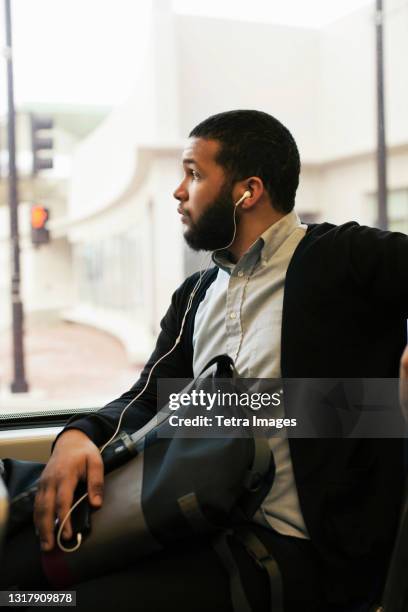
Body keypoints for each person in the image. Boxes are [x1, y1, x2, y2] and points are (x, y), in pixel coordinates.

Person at [3, 110, 408, 611]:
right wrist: (79, 435)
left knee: (70, 602)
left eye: (193, 174)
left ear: (248, 190)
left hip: (296, 550)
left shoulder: (342, 259)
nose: (179, 190)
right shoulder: (195, 296)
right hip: (200, 520)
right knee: (24, 585)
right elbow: (150, 395)